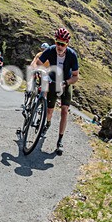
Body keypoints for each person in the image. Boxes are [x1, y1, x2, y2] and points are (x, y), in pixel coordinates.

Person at [32, 27, 80, 155]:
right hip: (53, 81)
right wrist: (39, 71)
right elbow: (38, 62)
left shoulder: (72, 55)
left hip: (65, 83)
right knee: (49, 110)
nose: (59, 46)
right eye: (58, 42)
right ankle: (47, 123)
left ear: (67, 44)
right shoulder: (50, 50)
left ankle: (60, 141)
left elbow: (75, 76)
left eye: (62, 44)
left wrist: (67, 83)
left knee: (64, 111)